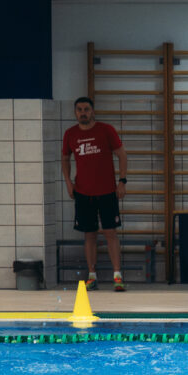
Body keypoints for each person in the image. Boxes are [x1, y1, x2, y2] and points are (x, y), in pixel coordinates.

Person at [61, 96, 129, 292]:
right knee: (89, 234)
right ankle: (92, 276)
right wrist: (68, 183)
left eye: (86, 109)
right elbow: (65, 158)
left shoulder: (106, 130)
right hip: (83, 192)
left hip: (107, 191)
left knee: (110, 233)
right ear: (75, 113)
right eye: (79, 110)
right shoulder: (70, 134)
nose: (83, 113)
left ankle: (117, 276)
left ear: (92, 111)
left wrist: (122, 181)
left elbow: (122, 154)